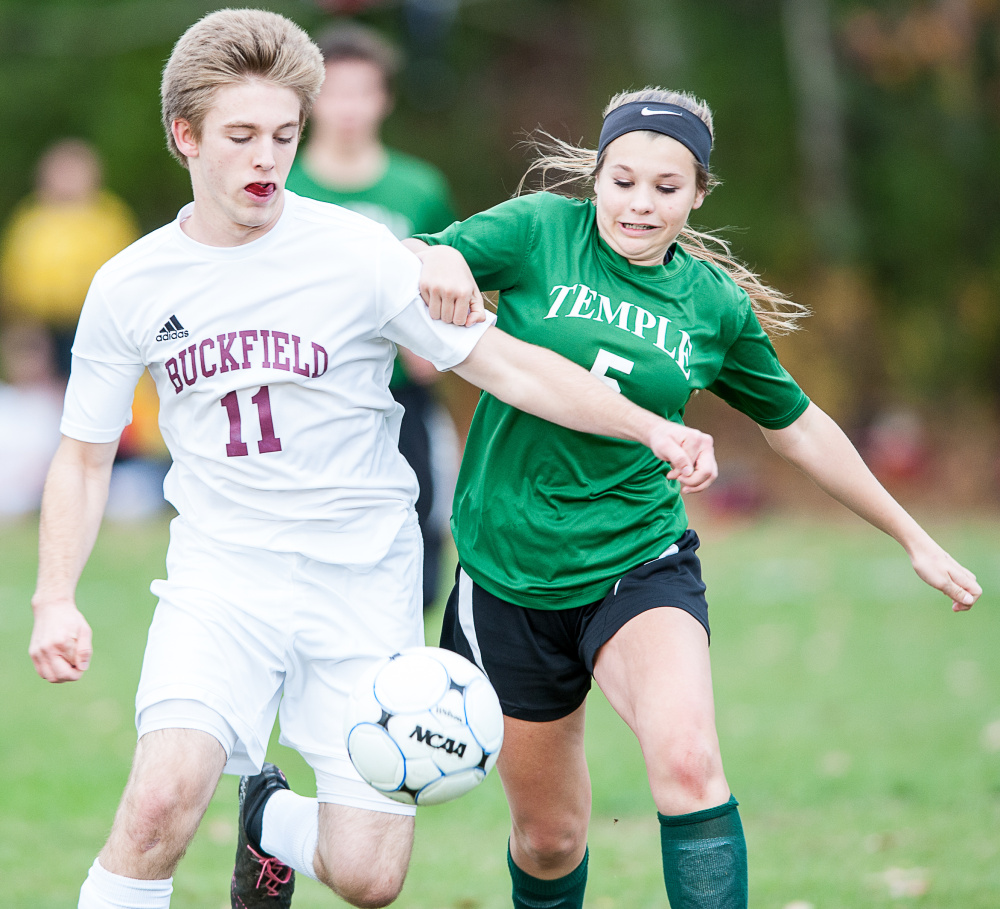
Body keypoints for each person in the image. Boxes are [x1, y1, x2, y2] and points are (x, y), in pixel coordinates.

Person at [26, 16, 717, 909]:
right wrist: (54, 597)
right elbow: (82, 456)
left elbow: (505, 362)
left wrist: (644, 425)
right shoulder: (131, 283)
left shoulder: (357, 254)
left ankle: (269, 821)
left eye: (283, 135)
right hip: (221, 581)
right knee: (159, 804)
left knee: (369, 876)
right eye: (240, 137)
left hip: (362, 585)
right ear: (185, 136)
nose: (265, 159)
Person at [403, 87, 983, 909]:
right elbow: (413, 256)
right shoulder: (535, 231)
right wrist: (440, 255)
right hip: (508, 568)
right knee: (548, 838)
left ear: (699, 193)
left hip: (638, 558)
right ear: (596, 177)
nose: (640, 204)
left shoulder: (712, 304)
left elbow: (802, 425)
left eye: (666, 188)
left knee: (687, 764)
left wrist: (911, 535)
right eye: (624, 181)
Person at [287, 22, 458, 610]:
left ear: (384, 98)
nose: (350, 107)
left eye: (364, 91)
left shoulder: (419, 188)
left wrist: (434, 343)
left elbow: (451, 285)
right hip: (303, 396)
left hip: (402, 396)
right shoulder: (281, 185)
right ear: (311, 100)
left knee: (415, 549)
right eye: (336, 90)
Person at [0, 138, 139, 378]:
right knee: (40, 385)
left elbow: (129, 270)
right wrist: (15, 319)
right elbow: (13, 271)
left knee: (87, 378)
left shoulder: (108, 217)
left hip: (94, 321)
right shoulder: (31, 218)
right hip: (39, 324)